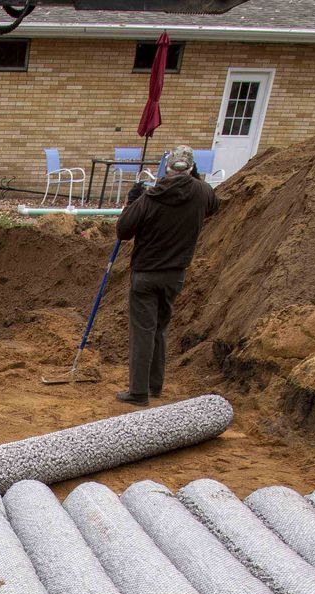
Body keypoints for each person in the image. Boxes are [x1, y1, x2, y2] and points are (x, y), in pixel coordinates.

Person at [112, 145, 219, 407]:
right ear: (193, 169)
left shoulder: (151, 198)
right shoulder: (203, 192)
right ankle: (154, 386)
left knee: (143, 332)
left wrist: (133, 201)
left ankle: (138, 392)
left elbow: (123, 230)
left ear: (167, 168)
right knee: (160, 328)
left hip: (146, 274)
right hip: (175, 275)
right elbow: (214, 206)